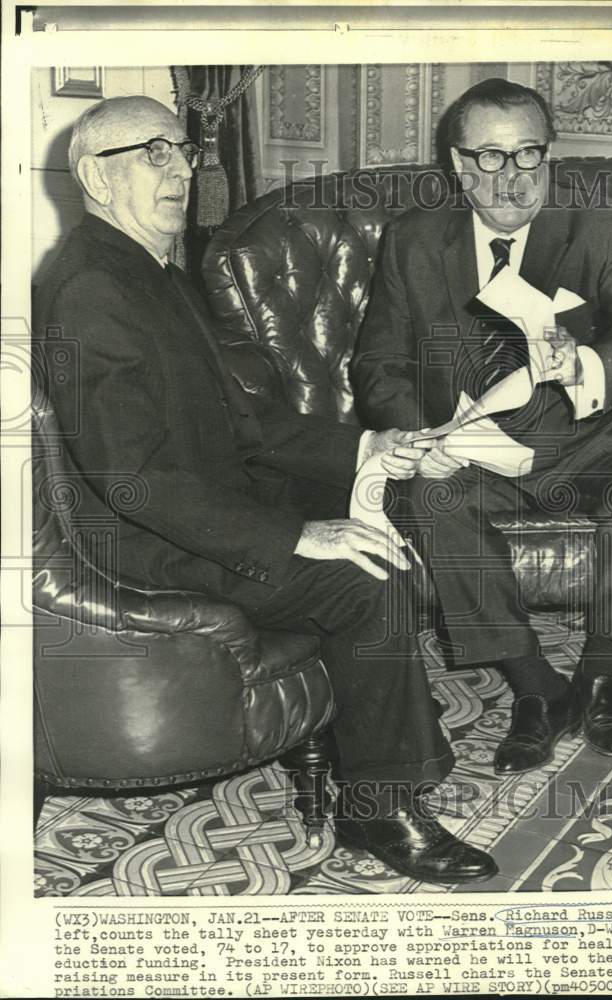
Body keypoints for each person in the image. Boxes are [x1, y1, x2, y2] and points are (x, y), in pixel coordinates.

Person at [33, 95, 498, 885]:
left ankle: (390, 759)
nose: (180, 169)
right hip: (152, 543)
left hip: (212, 502)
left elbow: (247, 421)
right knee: (364, 579)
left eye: (180, 150)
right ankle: (377, 811)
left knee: (395, 514)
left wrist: (365, 447)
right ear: (94, 178)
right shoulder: (91, 289)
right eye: (152, 154)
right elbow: (130, 481)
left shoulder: (149, 267)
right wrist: (295, 536)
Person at [352, 78, 612, 774]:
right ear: (459, 165)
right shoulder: (413, 242)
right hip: (465, 448)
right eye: (491, 158)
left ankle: (600, 672)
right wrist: (417, 438)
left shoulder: (597, 225)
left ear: (549, 157)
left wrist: (587, 361)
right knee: (427, 499)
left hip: (583, 440)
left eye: (528, 154)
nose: (512, 177)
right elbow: (378, 361)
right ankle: (538, 688)